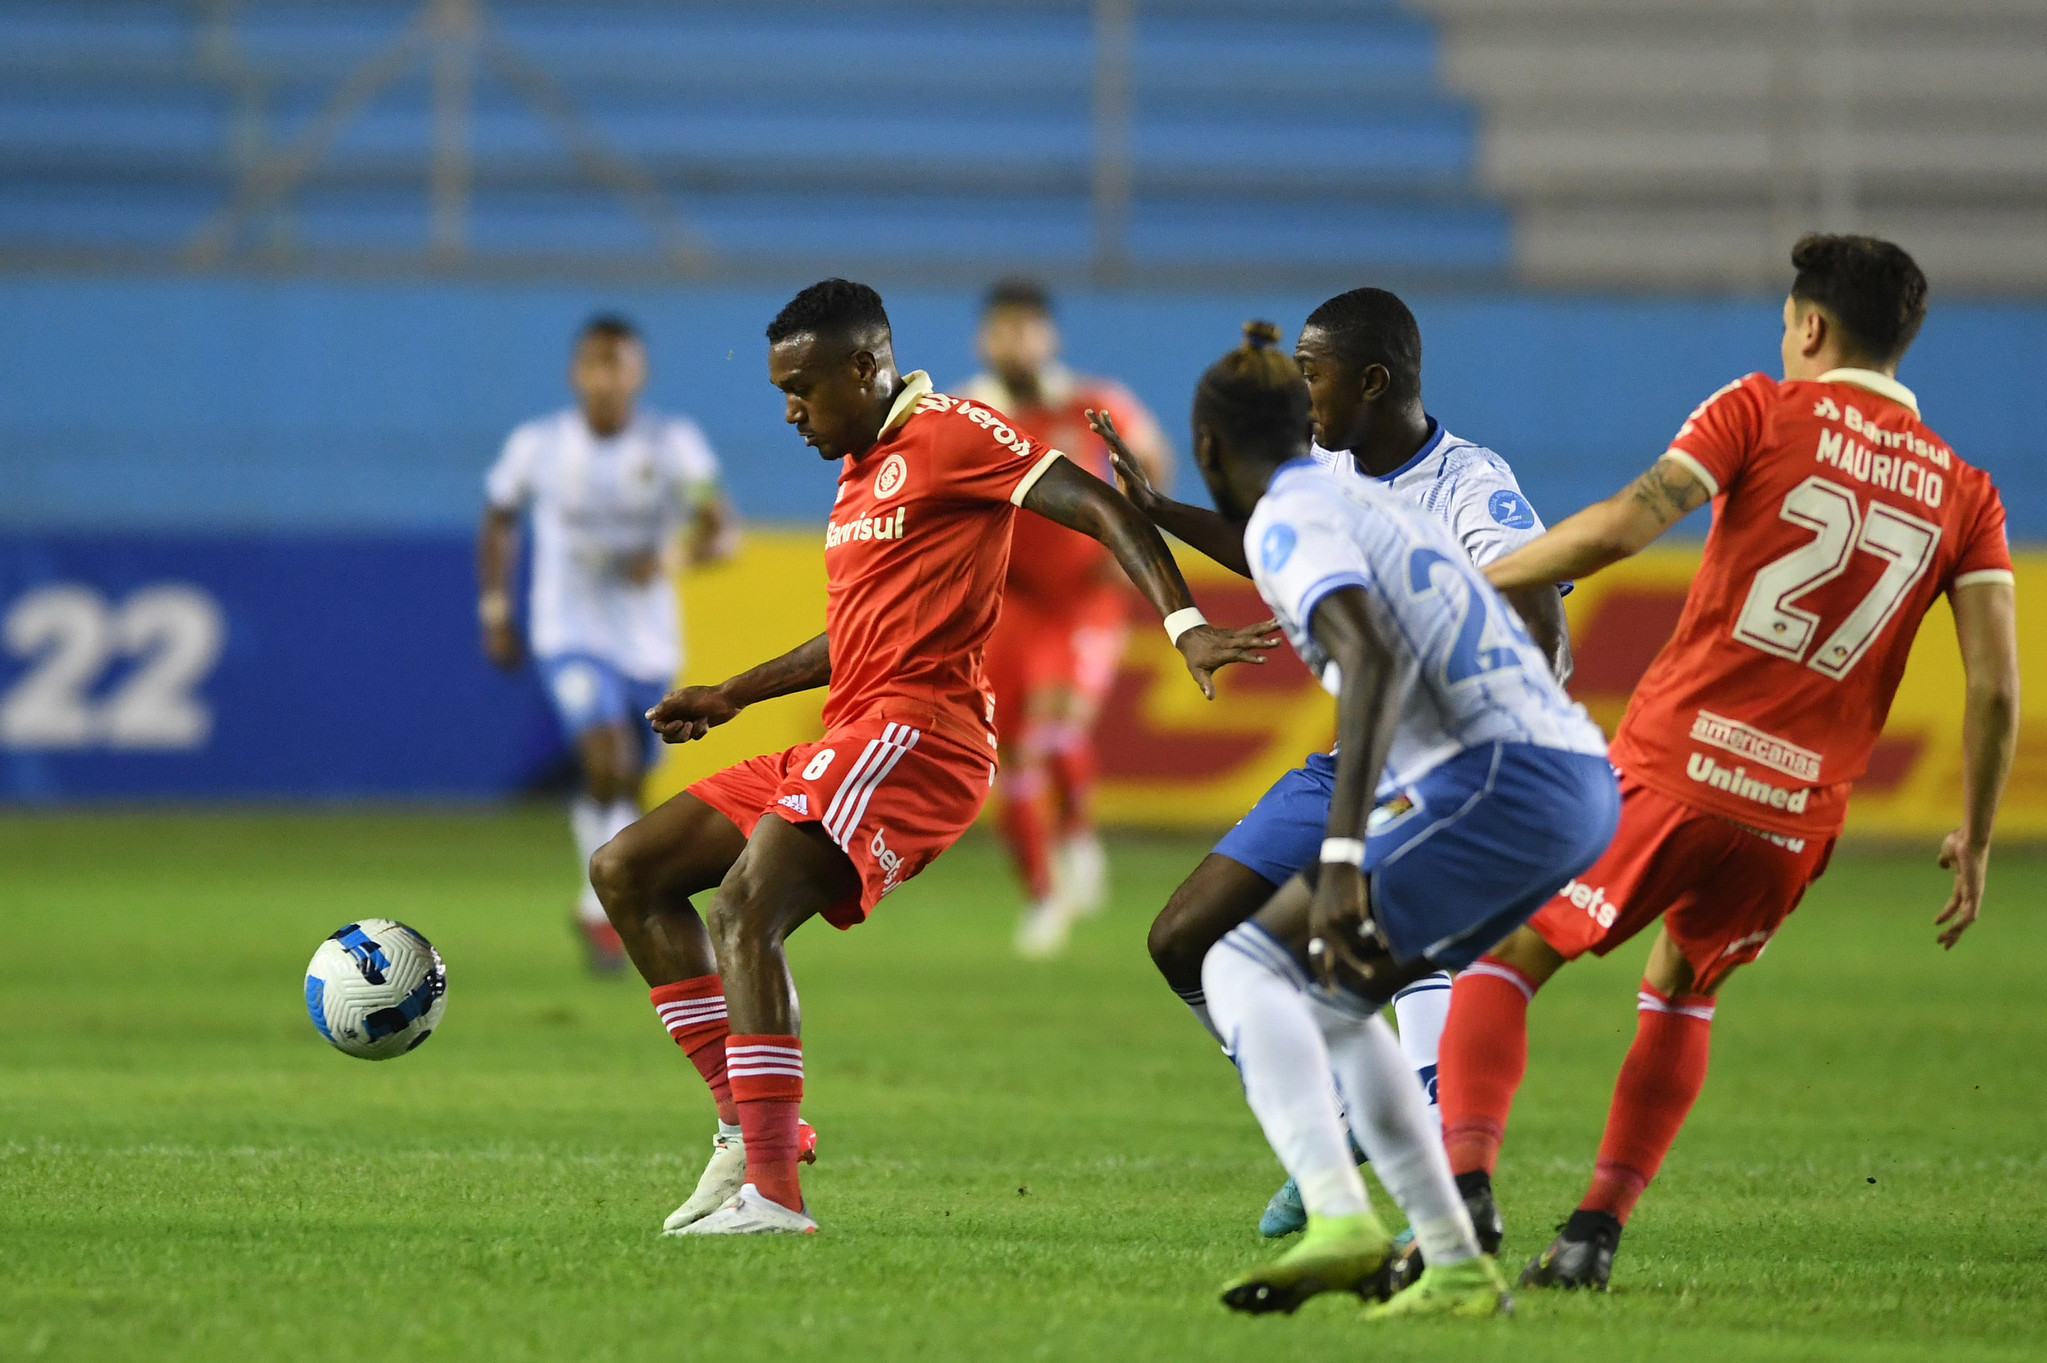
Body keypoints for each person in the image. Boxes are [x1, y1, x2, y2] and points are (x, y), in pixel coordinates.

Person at [587, 280, 1276, 1237]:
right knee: (628, 869)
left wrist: (1185, 619)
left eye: (804, 390)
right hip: (852, 729)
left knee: (747, 908)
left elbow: (1104, 510)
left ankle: (774, 1192)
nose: (790, 411)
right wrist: (732, 694)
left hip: (921, 739)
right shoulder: (861, 462)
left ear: (865, 370)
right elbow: (855, 631)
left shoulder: (956, 431)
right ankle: (747, 1130)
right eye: (783, 390)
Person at [1436, 234, 2020, 1290]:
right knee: (1682, 988)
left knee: (1507, 944)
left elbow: (1625, 525)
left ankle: (1462, 1196)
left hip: (1673, 765)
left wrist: (1480, 574)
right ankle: (1591, 1238)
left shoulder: (1759, 407)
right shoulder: (1967, 494)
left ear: (1809, 326)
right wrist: (1974, 840)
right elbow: (1994, 687)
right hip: (1792, 817)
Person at [1102, 289, 1570, 1245]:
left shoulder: (1472, 485)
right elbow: (1273, 552)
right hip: (1351, 755)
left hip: (1447, 762)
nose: (1300, 390)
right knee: (1182, 938)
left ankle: (1439, 1214)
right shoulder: (1318, 470)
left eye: (1312, 373)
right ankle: (1338, 1118)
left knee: (1383, 946)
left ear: (1371, 380)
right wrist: (1162, 511)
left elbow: (1539, 617)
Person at [1174, 323, 1616, 1318]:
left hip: (1501, 775)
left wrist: (1339, 854)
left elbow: (1367, 659)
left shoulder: (1295, 518)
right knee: (1330, 1002)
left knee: (1242, 964)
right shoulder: (1352, 496)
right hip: (1566, 774)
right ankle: (1454, 1263)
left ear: (1209, 450)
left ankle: (1339, 1219)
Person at [479, 314, 737, 974]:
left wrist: (671, 558)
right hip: (568, 632)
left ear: (638, 373)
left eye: (618, 363)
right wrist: (496, 607)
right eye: (594, 362)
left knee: (630, 775)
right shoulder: (538, 445)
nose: (606, 376)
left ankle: (602, 896)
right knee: (604, 757)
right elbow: (499, 517)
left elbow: (721, 532)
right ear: (575, 372)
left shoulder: (674, 444)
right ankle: (604, 906)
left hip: (647, 643)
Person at [960, 279, 1175, 958]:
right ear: (982, 339)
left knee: (1056, 724)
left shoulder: (1091, 402)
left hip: (1082, 593)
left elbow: (1153, 459)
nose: (1013, 342)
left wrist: (1133, 529)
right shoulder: (964, 410)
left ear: (1047, 337)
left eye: (1026, 329)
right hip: (1008, 598)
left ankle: (1077, 835)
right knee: (1009, 750)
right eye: (1001, 330)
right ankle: (1041, 892)